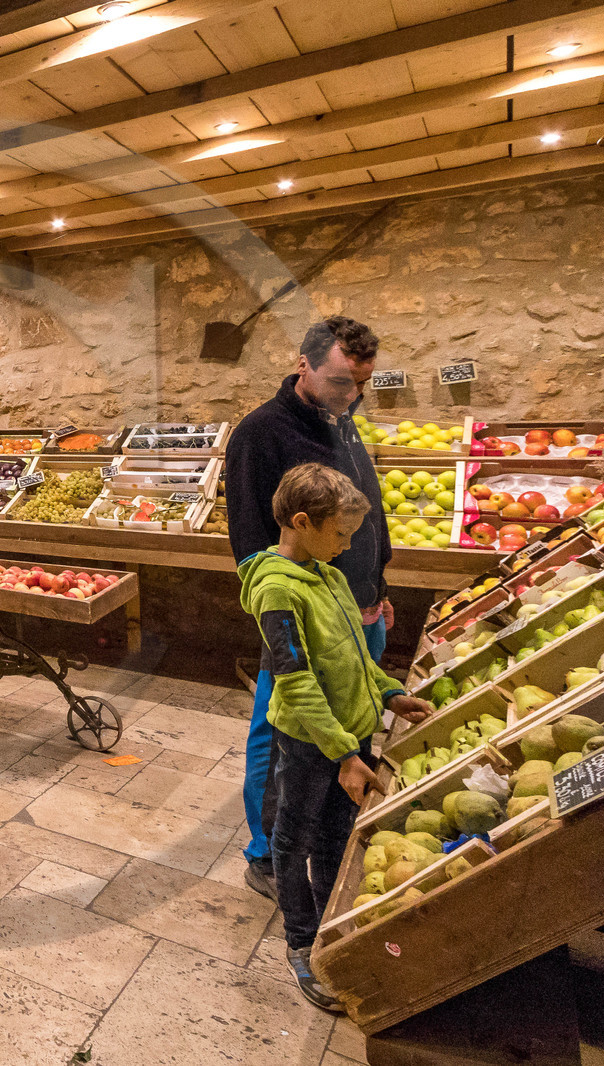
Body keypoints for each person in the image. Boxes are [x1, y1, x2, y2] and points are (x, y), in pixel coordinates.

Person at [237, 464, 430, 1011]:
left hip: (348, 736)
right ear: (302, 522)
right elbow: (295, 682)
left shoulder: (329, 576)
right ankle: (301, 943)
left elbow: (357, 657)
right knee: (292, 841)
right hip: (310, 742)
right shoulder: (276, 591)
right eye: (339, 534)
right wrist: (343, 752)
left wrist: (390, 693)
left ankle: (331, 927)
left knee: (335, 838)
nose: (346, 547)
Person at [225, 316, 392, 904]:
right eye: (344, 382)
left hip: (357, 608)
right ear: (305, 365)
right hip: (303, 618)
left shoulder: (341, 422)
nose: (355, 396)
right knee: (282, 733)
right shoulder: (260, 434)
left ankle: (325, 839)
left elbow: (365, 510)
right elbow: (250, 543)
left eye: (362, 385)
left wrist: (376, 580)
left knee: (347, 724)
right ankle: (267, 854)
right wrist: (279, 622)